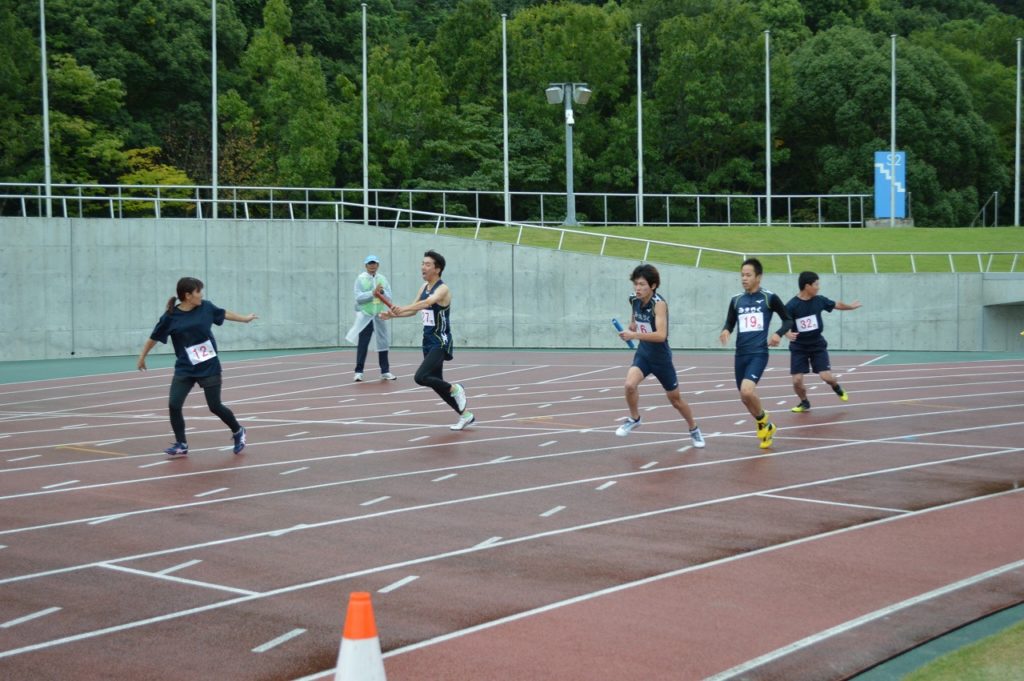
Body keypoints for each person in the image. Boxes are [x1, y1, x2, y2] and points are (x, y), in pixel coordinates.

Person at [137, 277, 257, 458]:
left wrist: (245, 319)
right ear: (187, 296)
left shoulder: (206, 307)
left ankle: (238, 430)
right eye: (198, 292)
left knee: (215, 406)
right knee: (174, 404)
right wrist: (142, 357)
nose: (201, 295)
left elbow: (223, 313)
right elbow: (154, 337)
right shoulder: (170, 316)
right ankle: (181, 443)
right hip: (185, 367)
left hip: (208, 365)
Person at [380, 250, 473, 431]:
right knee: (436, 383)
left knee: (420, 377)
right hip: (427, 341)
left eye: (427, 264)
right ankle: (465, 415)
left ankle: (456, 388)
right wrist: (393, 316)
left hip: (440, 340)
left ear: (437, 269)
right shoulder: (423, 287)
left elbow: (426, 304)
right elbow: (414, 311)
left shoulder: (442, 289)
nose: (423, 267)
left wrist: (402, 307)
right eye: (422, 263)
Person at [615, 264, 705, 448]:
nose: (638, 288)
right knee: (629, 385)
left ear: (653, 285)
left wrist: (634, 335)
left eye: (642, 284)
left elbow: (661, 335)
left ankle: (694, 428)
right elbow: (635, 318)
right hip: (643, 355)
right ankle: (634, 418)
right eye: (636, 284)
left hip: (661, 358)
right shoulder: (633, 300)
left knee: (676, 400)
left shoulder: (659, 304)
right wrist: (631, 326)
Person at [719, 258, 793, 449]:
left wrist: (778, 333)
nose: (744, 278)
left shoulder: (769, 298)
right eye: (742, 275)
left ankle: (763, 420)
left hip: (759, 353)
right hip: (740, 354)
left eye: (748, 275)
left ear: (758, 277)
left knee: (747, 390)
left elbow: (788, 320)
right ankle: (766, 425)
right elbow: (730, 322)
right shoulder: (736, 300)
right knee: (745, 398)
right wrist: (726, 330)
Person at [784, 271, 862, 412]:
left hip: (817, 345)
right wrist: (787, 333)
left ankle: (837, 387)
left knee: (826, 377)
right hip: (799, 346)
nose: (818, 287)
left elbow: (836, 304)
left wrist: (850, 307)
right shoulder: (791, 305)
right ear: (807, 286)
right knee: (796, 381)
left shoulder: (819, 300)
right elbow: (785, 324)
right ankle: (804, 402)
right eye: (816, 284)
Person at [345, 254, 396, 382]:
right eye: (370, 263)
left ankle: (385, 371)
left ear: (378, 265)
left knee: (383, 343)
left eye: (374, 263)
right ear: (366, 265)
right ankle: (358, 372)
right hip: (366, 316)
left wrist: (382, 292)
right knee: (363, 343)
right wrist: (372, 293)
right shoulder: (360, 279)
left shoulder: (382, 279)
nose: (372, 266)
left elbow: (389, 296)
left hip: (379, 315)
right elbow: (358, 297)